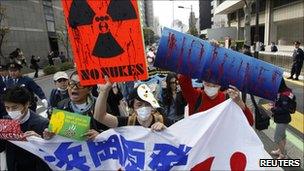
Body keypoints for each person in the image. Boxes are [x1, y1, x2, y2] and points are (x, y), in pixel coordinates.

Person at [0, 87, 51, 170]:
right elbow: (2, 148)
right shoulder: (6, 121)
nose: (10, 112)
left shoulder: (42, 124)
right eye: (7, 108)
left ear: (26, 104)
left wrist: (40, 141)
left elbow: (50, 153)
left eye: (15, 107)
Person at [94, 77, 172, 131]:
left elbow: (179, 133)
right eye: (139, 105)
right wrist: (103, 92)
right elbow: (100, 117)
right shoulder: (126, 123)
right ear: (132, 108)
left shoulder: (163, 121)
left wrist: (166, 131)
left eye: (147, 104)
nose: (144, 107)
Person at [51, 71, 109, 139]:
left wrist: (100, 135)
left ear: (89, 89)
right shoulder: (61, 106)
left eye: (80, 84)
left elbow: (112, 132)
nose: (74, 87)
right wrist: (50, 135)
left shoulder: (100, 105)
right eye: (71, 83)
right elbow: (56, 132)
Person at [178, 75, 254, 126]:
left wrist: (239, 102)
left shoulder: (228, 99)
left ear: (220, 84)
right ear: (203, 81)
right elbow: (183, 79)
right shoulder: (195, 97)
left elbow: (249, 122)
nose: (211, 85)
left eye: (215, 84)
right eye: (208, 82)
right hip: (200, 147)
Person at [270, 81, 296, 159]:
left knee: (277, 138)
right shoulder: (286, 91)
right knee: (282, 136)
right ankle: (279, 151)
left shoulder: (284, 95)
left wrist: (273, 109)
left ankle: (283, 154)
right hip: (283, 119)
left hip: (282, 120)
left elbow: (284, 109)